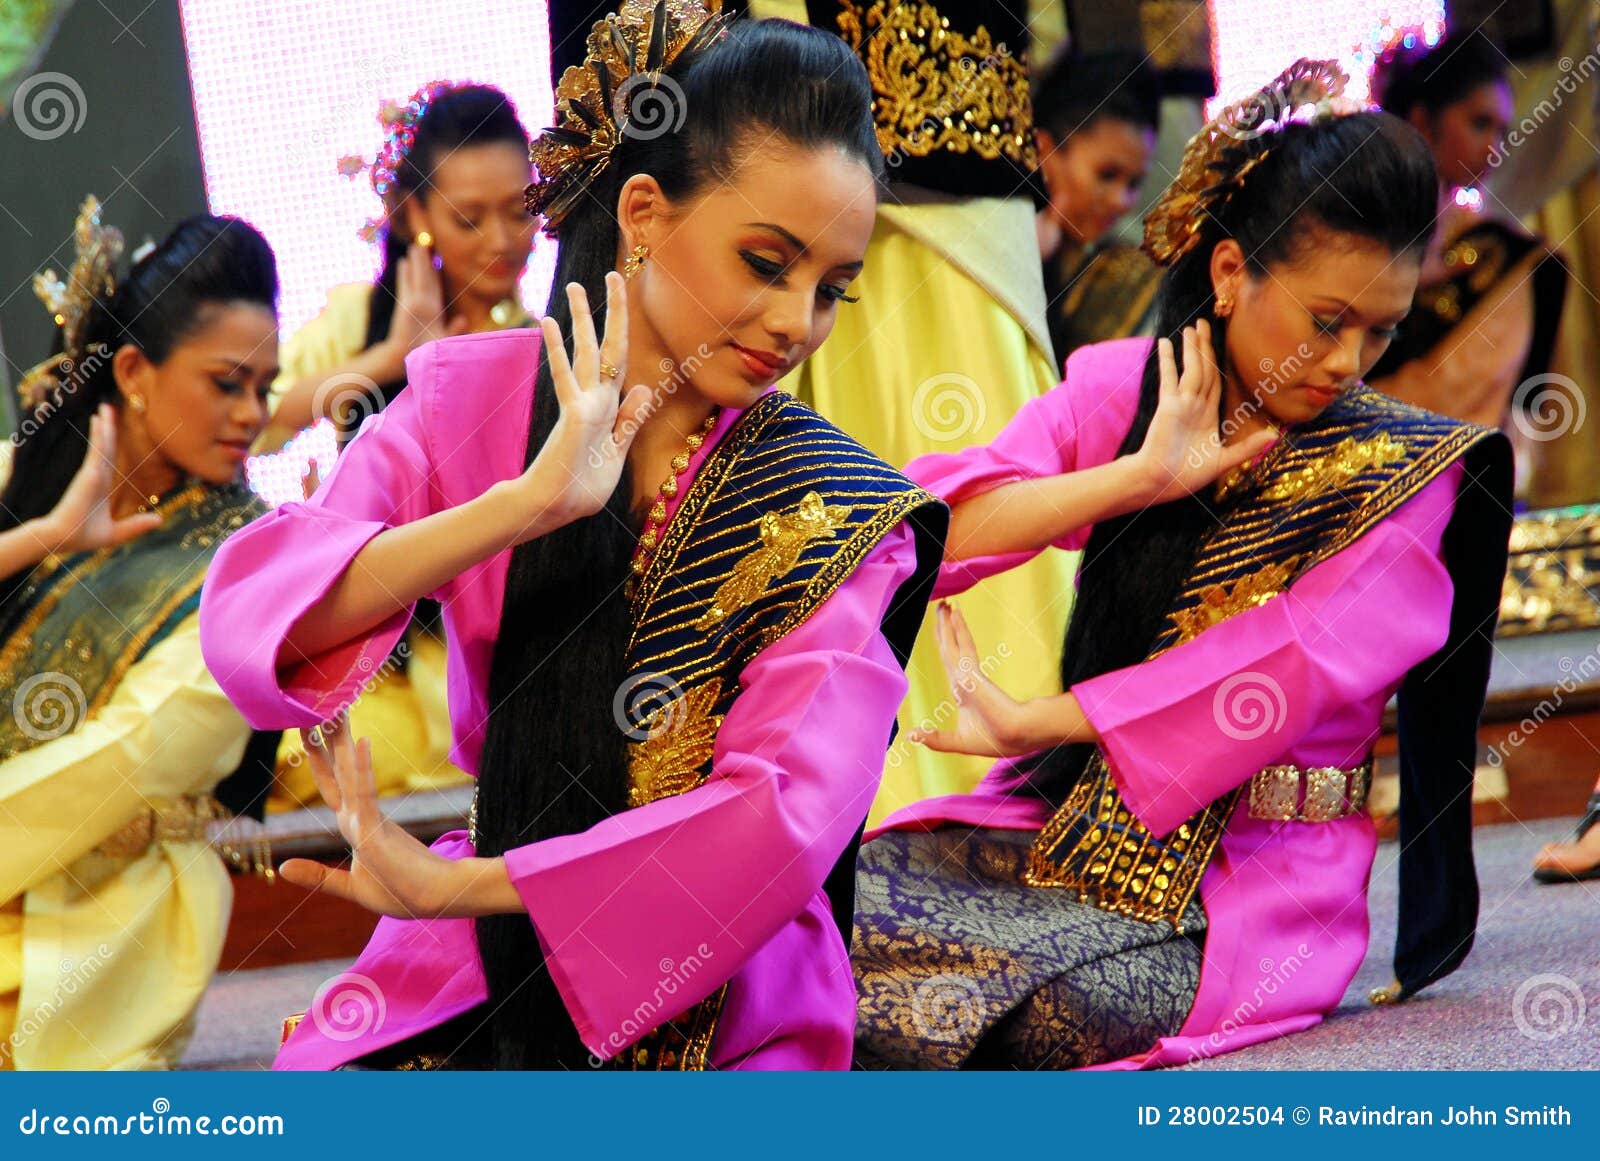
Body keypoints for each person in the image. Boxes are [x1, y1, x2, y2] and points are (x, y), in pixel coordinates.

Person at [200, 0, 945, 1072]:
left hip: (725, 973)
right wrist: (524, 507)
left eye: (831, 289)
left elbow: (782, 820)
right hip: (477, 948)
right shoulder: (472, 404)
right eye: (765, 262)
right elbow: (255, 627)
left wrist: (459, 888)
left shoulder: (833, 509)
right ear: (643, 211)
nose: (796, 323)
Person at [850, 61, 1514, 1069]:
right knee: (804, 930)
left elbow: (1287, 666)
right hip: (1059, 823)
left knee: (1013, 1015)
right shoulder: (1128, 390)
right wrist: (1135, 479)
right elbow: (925, 534)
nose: (1347, 363)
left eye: (1381, 330)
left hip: (1256, 886)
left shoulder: (1403, 474)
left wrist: (1047, 722)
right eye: (1326, 321)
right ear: (1230, 272)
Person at [0, 202, 281, 1069]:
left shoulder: (250, 561)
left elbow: (134, 756)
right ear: (134, 370)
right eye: (226, 383)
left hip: (103, 927)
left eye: (265, 388)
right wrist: (41, 537)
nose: (252, 414)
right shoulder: (27, 476)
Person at [257, 82, 537, 809]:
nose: (503, 242)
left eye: (521, 210)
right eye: (470, 218)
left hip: (491, 656)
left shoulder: (540, 342)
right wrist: (389, 357)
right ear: (415, 214)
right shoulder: (360, 317)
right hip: (375, 650)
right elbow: (254, 419)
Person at [1367, 31, 1569, 429]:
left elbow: (1524, 406)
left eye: (1502, 133)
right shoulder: (1364, 220)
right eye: (1480, 124)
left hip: (1469, 461)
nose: (1494, 148)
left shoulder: (1500, 250)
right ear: (1423, 121)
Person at [1034, 49, 1164, 365]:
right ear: (1046, 150)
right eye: (1107, 175)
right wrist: (1021, 260)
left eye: (1133, 184)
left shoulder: (1126, 266)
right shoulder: (1007, 240)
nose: (1122, 201)